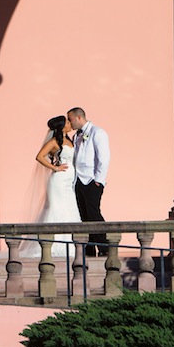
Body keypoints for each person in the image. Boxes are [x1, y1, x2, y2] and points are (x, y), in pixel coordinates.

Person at [23, 116, 80, 260]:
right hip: (59, 181)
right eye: (67, 122)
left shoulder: (70, 140)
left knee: (70, 207)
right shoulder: (54, 142)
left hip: (70, 181)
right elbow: (40, 156)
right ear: (61, 127)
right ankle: (54, 245)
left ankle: (71, 244)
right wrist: (55, 167)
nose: (69, 123)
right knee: (57, 208)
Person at [67, 107, 110, 256]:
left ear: (79, 118)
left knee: (93, 213)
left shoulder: (97, 132)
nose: (69, 122)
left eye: (70, 119)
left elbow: (103, 158)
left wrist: (98, 180)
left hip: (92, 180)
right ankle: (90, 247)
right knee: (84, 215)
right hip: (79, 180)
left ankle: (104, 246)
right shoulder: (76, 136)